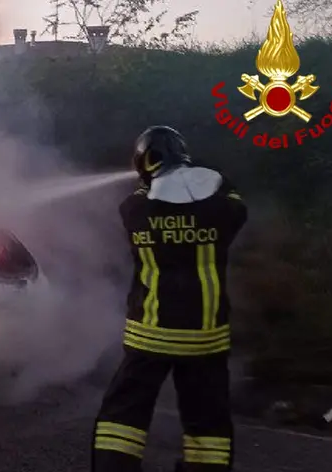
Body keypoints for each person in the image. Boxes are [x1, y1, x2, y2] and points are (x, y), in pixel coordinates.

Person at [92, 125, 248, 472]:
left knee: (124, 414)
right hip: (205, 337)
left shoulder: (134, 210)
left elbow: (139, 197)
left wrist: (150, 187)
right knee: (207, 421)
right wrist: (207, 181)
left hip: (151, 333)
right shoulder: (222, 213)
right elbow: (234, 202)